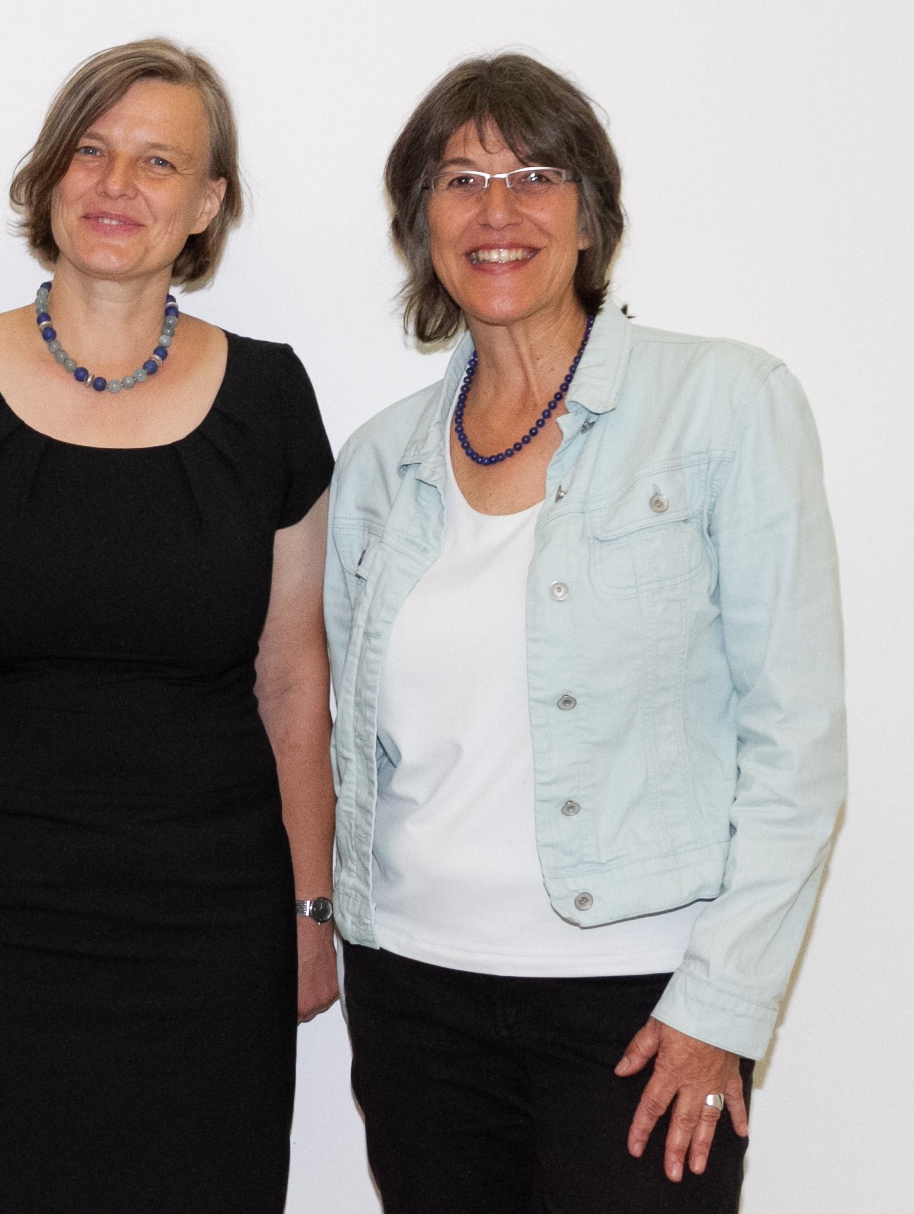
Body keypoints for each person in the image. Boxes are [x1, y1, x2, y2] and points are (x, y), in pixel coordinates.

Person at [325, 53, 844, 1213]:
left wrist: (719, 1006)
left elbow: (795, 740)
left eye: (534, 174)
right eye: (460, 180)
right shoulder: (377, 463)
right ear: (421, 222)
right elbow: (343, 740)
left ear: (589, 215)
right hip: (413, 994)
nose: (496, 211)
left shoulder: (725, 405)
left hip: (637, 1004)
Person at [0, 39, 340, 1213]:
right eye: (92, 152)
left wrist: (310, 910)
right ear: (49, 177)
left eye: (158, 161)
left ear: (207, 203)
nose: (117, 185)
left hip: (209, 922)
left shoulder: (269, 398)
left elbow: (289, 676)